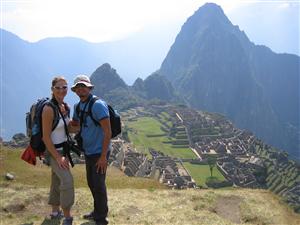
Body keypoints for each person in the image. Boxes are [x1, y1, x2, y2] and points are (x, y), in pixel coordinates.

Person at [71, 75, 111, 225]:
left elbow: (108, 132)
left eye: (84, 86)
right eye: (78, 87)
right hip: (88, 151)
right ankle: (97, 211)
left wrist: (103, 157)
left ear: (89, 88)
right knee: (91, 183)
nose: (81, 89)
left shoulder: (98, 105)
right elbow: (74, 124)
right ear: (75, 90)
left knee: (99, 185)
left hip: (100, 152)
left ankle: (101, 218)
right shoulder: (78, 107)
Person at [42, 76, 77, 225]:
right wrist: (58, 157)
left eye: (64, 87)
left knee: (56, 180)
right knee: (67, 180)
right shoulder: (48, 109)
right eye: (58, 87)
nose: (61, 90)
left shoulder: (65, 106)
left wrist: (76, 125)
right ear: (52, 89)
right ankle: (67, 216)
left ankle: (55, 211)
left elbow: (67, 128)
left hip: (63, 149)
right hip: (53, 152)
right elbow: (46, 137)